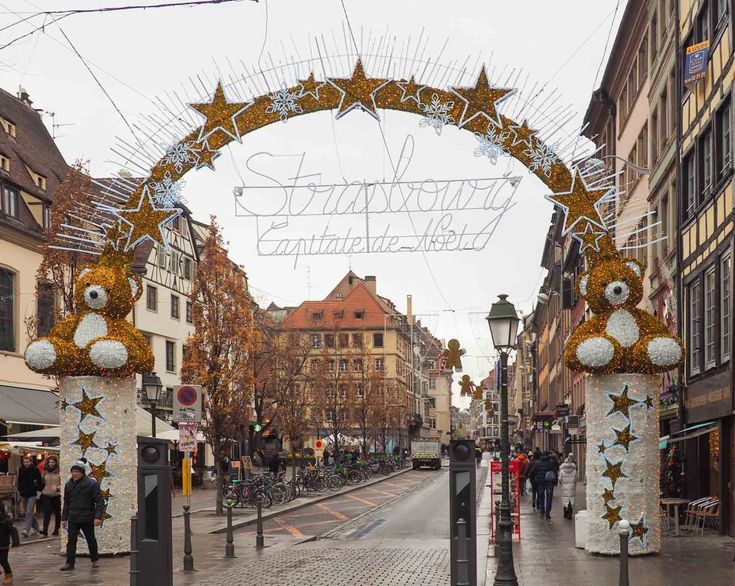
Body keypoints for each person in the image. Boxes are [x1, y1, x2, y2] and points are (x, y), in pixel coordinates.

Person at [60, 459, 105, 571]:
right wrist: (64, 518)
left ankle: (94, 559)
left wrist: (98, 516)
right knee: (71, 540)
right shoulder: (68, 485)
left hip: (87, 516)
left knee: (90, 539)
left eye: (77, 471)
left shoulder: (91, 484)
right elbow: (66, 502)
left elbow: (99, 501)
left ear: (82, 472)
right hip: (73, 517)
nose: (74, 474)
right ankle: (70, 562)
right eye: (73, 471)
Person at [16, 456, 42, 538]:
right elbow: (19, 480)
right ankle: (37, 528)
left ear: (31, 462)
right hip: (23, 493)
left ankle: (26, 530)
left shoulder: (35, 470)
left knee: (29, 511)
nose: (26, 463)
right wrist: (19, 489)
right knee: (28, 512)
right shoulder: (21, 469)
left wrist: (37, 487)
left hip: (32, 493)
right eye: (25, 462)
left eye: (28, 462)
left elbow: (39, 481)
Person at [39, 455, 61, 537]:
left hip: (56, 495)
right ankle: (45, 530)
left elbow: (63, 483)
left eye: (53, 462)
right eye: (50, 462)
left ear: (56, 463)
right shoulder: (45, 471)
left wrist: (58, 488)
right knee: (47, 512)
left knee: (57, 513)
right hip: (46, 494)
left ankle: (56, 530)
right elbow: (42, 482)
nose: (51, 464)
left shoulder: (59, 472)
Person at [531, 451, 555, 519]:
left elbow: (532, 472)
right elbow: (554, 471)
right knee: (549, 497)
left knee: (541, 496)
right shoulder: (550, 462)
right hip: (549, 482)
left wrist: (533, 479)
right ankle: (547, 513)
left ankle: (542, 512)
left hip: (540, 482)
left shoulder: (537, 463)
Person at [0, 503, 20, 584]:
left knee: (3, 560)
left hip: (3, 544)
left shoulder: (6, 521)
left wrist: (15, 542)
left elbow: (13, 531)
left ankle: (8, 575)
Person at [558, 455, 578, 519]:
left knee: (565, 499)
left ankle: (565, 513)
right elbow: (576, 479)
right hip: (572, 487)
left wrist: (560, 482)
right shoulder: (574, 470)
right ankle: (570, 513)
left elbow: (560, 479)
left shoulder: (562, 471)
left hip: (564, 487)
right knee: (571, 499)